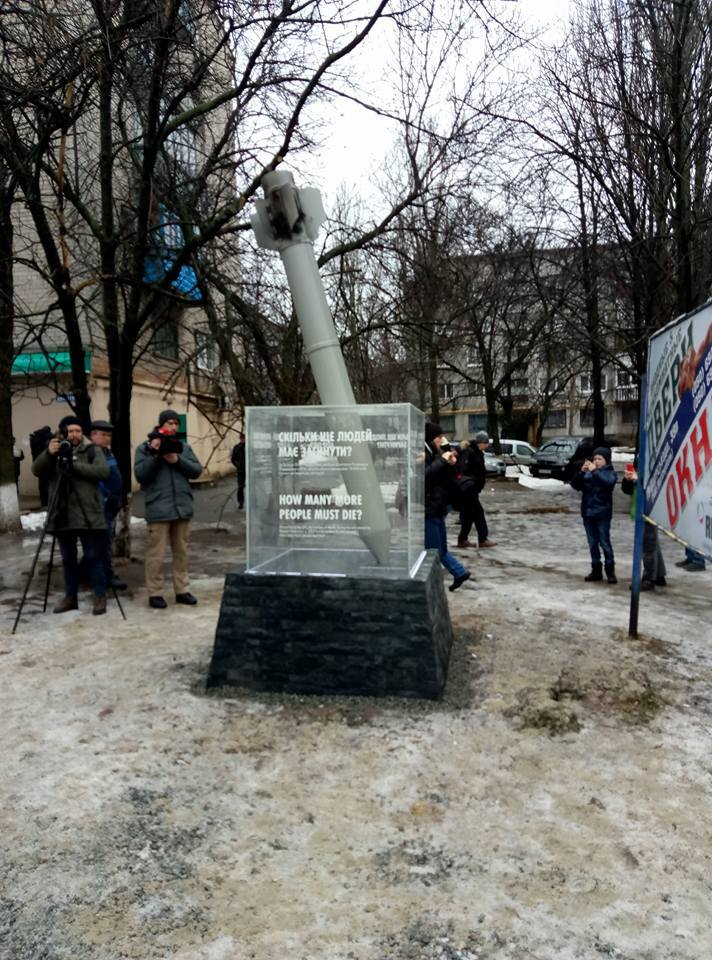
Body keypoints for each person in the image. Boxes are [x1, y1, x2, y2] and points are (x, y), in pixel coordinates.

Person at [31, 415, 110, 615]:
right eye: (70, 431)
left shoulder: (92, 449)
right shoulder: (55, 450)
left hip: (87, 514)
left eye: (77, 430)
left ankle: (100, 596)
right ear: (63, 432)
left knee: (94, 556)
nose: (74, 434)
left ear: (82, 432)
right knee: (68, 559)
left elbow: (102, 472)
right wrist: (49, 454)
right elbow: (36, 470)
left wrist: (74, 466)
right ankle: (70, 597)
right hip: (62, 514)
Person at [134, 409, 203, 609]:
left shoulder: (183, 447)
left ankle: (182, 590)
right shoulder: (145, 448)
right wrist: (156, 454)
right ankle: (155, 593)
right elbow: (141, 476)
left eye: (175, 423)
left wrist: (177, 460)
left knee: (182, 552)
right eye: (169, 423)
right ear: (161, 424)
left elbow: (197, 471)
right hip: (158, 509)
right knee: (156, 554)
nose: (172, 426)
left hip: (182, 507)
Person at [424, 421, 471, 592]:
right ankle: (458, 572)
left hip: (436, 507)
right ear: (431, 438)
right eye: (439, 437)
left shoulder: (436, 452)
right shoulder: (424, 453)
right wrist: (443, 460)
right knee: (435, 549)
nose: (442, 439)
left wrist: (447, 457)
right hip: (430, 507)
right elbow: (426, 476)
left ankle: (453, 575)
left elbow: (452, 474)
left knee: (436, 549)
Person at [569, 445, 618, 584]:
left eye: (600, 458)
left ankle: (610, 570)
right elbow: (575, 485)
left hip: (602, 513)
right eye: (595, 458)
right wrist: (581, 472)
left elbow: (607, 483)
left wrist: (595, 471)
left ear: (606, 460)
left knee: (604, 542)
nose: (596, 461)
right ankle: (596, 569)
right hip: (588, 513)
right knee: (592, 543)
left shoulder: (610, 473)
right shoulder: (589, 472)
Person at [88, 420, 126, 591]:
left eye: (109, 435)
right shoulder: (90, 454)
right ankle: (104, 576)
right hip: (99, 506)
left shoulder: (107, 452)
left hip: (110, 506)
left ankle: (103, 573)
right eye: (103, 435)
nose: (106, 438)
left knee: (105, 543)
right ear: (92, 435)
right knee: (100, 545)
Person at [621, 462, 666, 591]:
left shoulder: (655, 466)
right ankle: (659, 575)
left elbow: (653, 488)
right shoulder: (642, 463)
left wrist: (637, 480)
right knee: (652, 544)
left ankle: (648, 579)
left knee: (648, 547)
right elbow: (627, 490)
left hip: (650, 511)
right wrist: (628, 479)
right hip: (640, 511)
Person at [456, 431, 496, 548]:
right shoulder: (471, 452)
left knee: (468, 516)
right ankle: (483, 539)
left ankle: (462, 539)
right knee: (478, 513)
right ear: (481, 443)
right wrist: (472, 482)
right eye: (486, 443)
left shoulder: (477, 452)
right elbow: (464, 470)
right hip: (469, 490)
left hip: (472, 490)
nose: (487, 445)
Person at [30, 425, 53, 506]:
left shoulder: (35, 439)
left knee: (43, 484)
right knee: (46, 485)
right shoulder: (45, 439)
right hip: (45, 463)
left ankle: (44, 502)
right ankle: (46, 502)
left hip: (38, 464)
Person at [231, 432, 246, 509]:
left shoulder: (248, 447)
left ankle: (254, 502)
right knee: (240, 487)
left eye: (244, 438)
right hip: (240, 471)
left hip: (248, 471)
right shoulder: (237, 447)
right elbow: (233, 459)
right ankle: (241, 502)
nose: (243, 440)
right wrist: (238, 465)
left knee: (252, 487)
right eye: (242, 438)